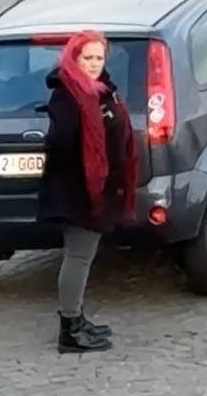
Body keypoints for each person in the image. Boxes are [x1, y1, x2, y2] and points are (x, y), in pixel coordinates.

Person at [36, 30, 136, 354]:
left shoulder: (100, 89)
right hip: (77, 189)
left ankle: (77, 319)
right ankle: (70, 329)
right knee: (78, 257)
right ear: (74, 59)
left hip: (94, 187)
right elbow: (61, 143)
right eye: (87, 58)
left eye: (98, 58)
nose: (94, 64)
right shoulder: (68, 94)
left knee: (84, 256)